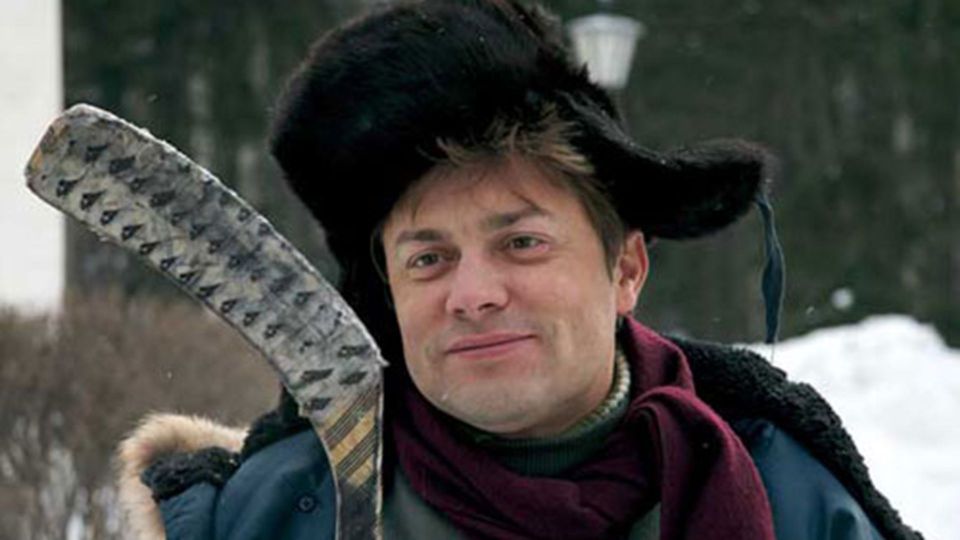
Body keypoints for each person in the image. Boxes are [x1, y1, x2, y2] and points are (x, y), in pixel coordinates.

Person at [116, 1, 919, 538]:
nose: (472, 295)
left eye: (522, 243)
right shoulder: (276, 517)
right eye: (428, 258)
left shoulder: (790, 502)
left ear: (626, 268)